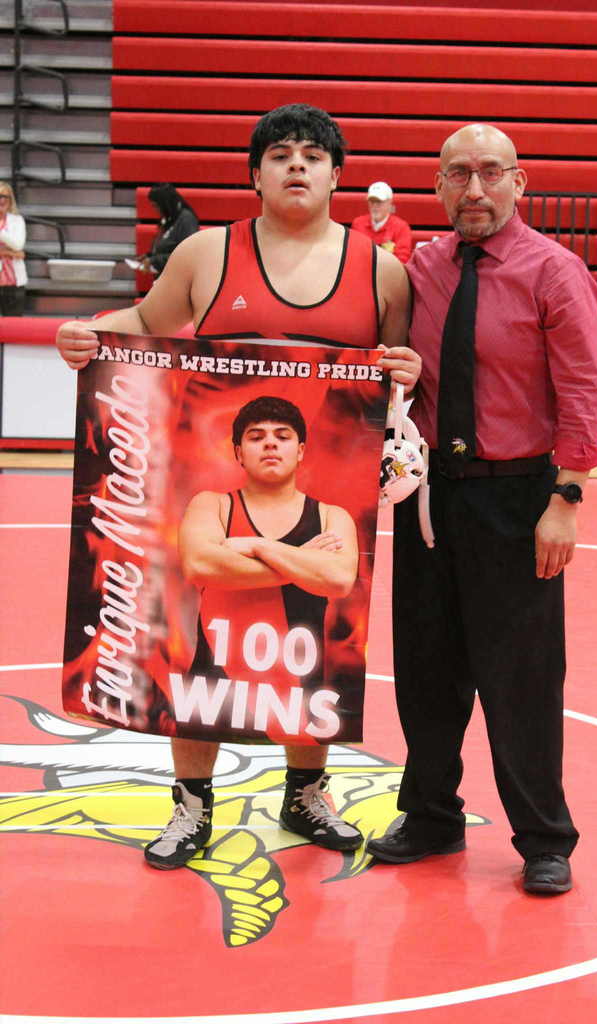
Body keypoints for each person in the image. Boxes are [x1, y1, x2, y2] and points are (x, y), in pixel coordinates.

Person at [56, 103, 419, 868]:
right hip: (219, 481)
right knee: (204, 655)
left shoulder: (380, 270)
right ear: (253, 173)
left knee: (310, 653)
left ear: (334, 175)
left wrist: (406, 370)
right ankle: (191, 806)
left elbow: (403, 368)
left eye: (312, 155)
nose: (296, 165)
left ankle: (304, 793)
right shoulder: (205, 253)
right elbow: (147, 321)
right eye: (280, 153)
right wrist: (88, 330)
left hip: (325, 491)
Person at [365, 123, 597, 895]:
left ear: (519, 183)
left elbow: (584, 393)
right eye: (457, 175)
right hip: (431, 491)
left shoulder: (553, 271)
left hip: (517, 494)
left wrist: (564, 500)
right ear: (436, 186)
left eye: (489, 174)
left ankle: (545, 837)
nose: (473, 190)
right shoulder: (422, 266)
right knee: (427, 666)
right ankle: (432, 814)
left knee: (521, 675)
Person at [153, 395, 360, 866]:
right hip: (223, 643)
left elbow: (339, 579)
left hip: (297, 651)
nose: (271, 445)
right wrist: (302, 559)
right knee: (200, 700)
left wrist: (251, 547)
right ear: (237, 452)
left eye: (283, 437)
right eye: (257, 437)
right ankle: (193, 809)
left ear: (301, 450)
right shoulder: (214, 504)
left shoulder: (331, 516)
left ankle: (303, 801)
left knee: (310, 698)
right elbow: (201, 563)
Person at [139, 183, 199, 274]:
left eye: (156, 206)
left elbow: (188, 255)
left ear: (165, 204)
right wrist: (150, 256)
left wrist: (155, 261)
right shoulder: (169, 219)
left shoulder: (186, 220)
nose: (155, 210)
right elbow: (167, 247)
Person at [352, 181, 412, 264]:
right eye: (372, 201)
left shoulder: (401, 227)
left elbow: (402, 260)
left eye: (379, 202)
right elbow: (353, 254)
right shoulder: (358, 224)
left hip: (389, 274)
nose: (375, 206)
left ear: (389, 202)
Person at [0, 182, 27, 316]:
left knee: (13, 324)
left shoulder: (17, 220)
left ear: (10, 200)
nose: (1, 200)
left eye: (4, 196)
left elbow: (18, 245)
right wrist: (10, 253)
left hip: (14, 282)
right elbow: (16, 250)